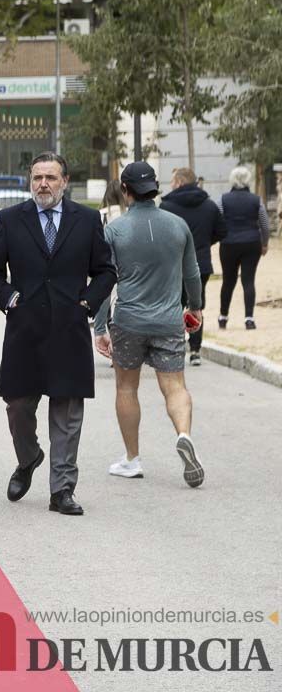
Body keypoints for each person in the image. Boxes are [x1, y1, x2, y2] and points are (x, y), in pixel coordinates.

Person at [0, 152, 116, 516]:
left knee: (68, 414)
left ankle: (62, 490)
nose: (43, 184)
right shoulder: (10, 220)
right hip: (25, 330)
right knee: (18, 406)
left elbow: (105, 271)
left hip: (69, 330)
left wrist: (87, 302)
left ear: (65, 182)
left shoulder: (86, 220)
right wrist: (9, 299)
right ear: (29, 181)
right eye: (37, 177)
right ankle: (29, 457)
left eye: (51, 178)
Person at [93, 161, 206, 488]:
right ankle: (183, 434)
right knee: (175, 387)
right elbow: (192, 274)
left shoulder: (115, 230)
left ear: (125, 191)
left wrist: (100, 326)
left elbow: (105, 281)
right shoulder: (178, 226)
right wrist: (195, 308)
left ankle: (132, 459)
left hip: (129, 321)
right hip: (169, 320)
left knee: (127, 387)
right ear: (155, 189)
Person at [160, 166, 227, 366]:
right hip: (202, 262)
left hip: (174, 263)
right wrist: (204, 243)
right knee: (196, 305)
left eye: (172, 181)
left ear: (180, 182)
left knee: (174, 305)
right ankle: (196, 349)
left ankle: (177, 346)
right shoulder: (210, 206)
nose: (171, 185)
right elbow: (222, 231)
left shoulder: (166, 207)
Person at [216, 165, 270, 330]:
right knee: (248, 280)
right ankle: (249, 318)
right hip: (251, 243)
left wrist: (220, 237)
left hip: (229, 244)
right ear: (248, 181)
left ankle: (223, 316)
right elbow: (264, 223)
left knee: (228, 280)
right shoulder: (256, 200)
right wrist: (265, 243)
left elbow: (217, 220)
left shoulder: (223, 199)